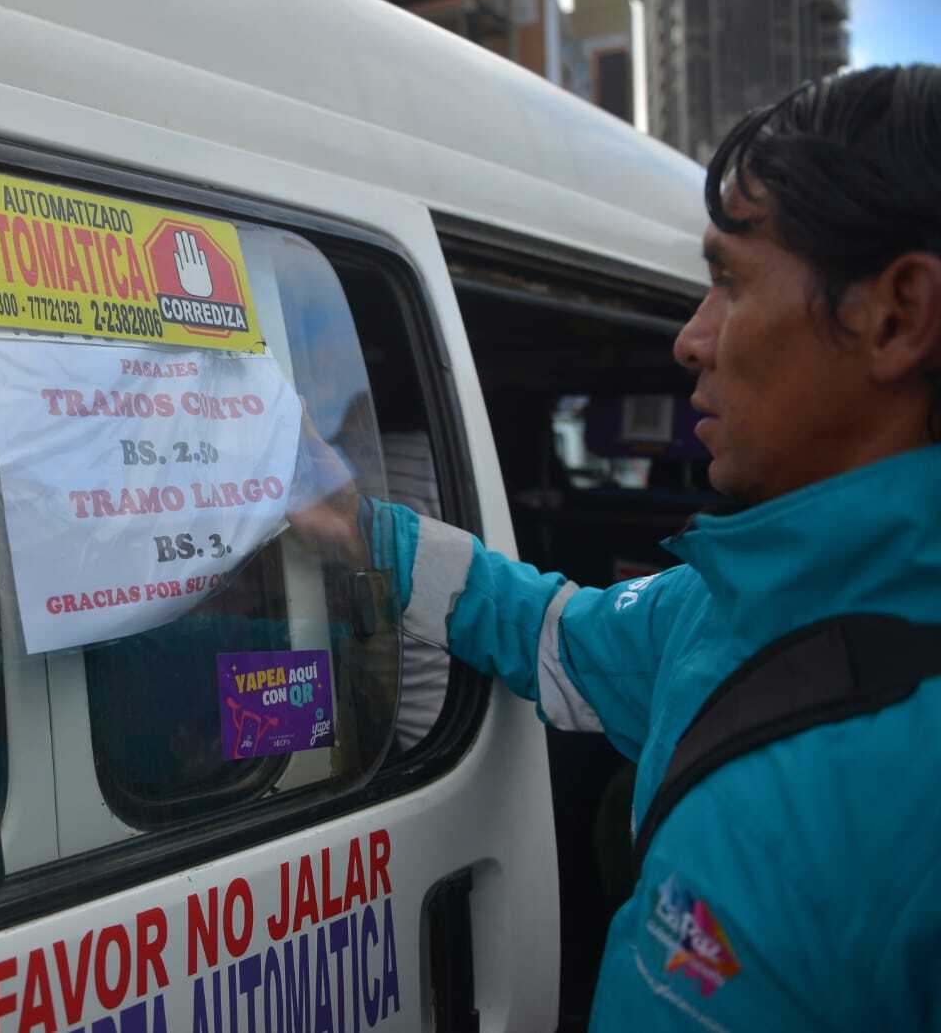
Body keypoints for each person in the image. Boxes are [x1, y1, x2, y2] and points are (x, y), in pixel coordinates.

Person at [291, 65, 941, 1030]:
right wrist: (363, 532)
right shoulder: (715, 608)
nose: (691, 339)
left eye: (728, 281)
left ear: (895, 315)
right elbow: (552, 632)